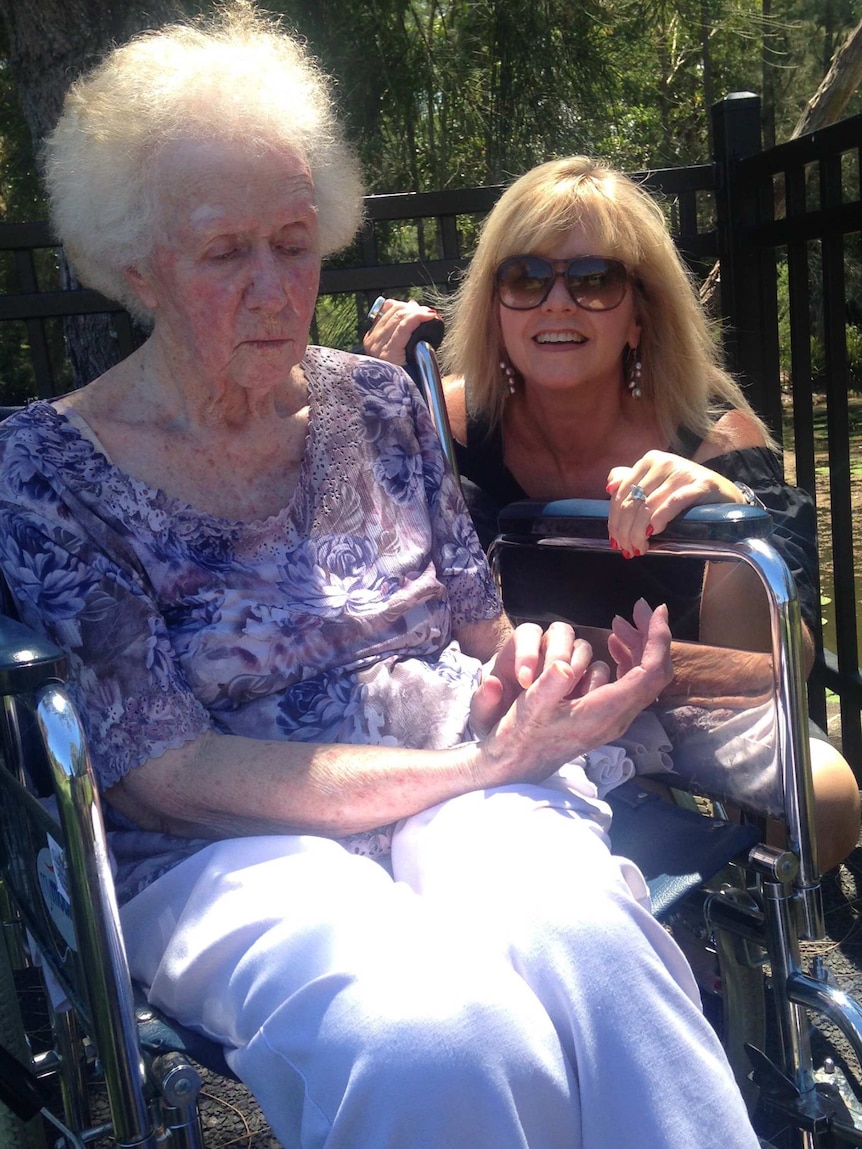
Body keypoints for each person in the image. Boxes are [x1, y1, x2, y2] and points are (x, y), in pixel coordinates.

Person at [0, 10, 763, 1148]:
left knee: (593, 954)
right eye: (224, 253)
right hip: (228, 845)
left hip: (467, 781)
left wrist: (539, 676)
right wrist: (479, 759)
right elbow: (166, 775)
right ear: (135, 267)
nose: (275, 288)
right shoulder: (45, 469)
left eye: (295, 241)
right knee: (434, 1031)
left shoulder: (374, 400)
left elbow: (474, 630)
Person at [363, 156, 861, 872]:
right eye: (525, 277)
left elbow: (773, 668)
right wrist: (374, 398)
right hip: (511, 698)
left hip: (685, 697)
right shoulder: (444, 423)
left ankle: (739, 950)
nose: (556, 302)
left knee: (829, 793)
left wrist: (725, 512)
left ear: (638, 315)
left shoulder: (716, 440)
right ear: (496, 306)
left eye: (594, 279)